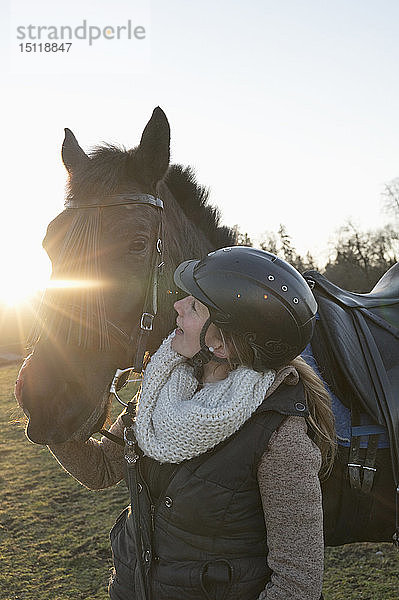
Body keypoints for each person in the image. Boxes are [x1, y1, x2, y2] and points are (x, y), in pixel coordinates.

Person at [16, 246, 336, 600]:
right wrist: (46, 416)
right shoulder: (163, 387)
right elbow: (102, 469)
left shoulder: (281, 438)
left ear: (222, 343)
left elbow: (297, 584)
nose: (177, 307)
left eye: (195, 306)